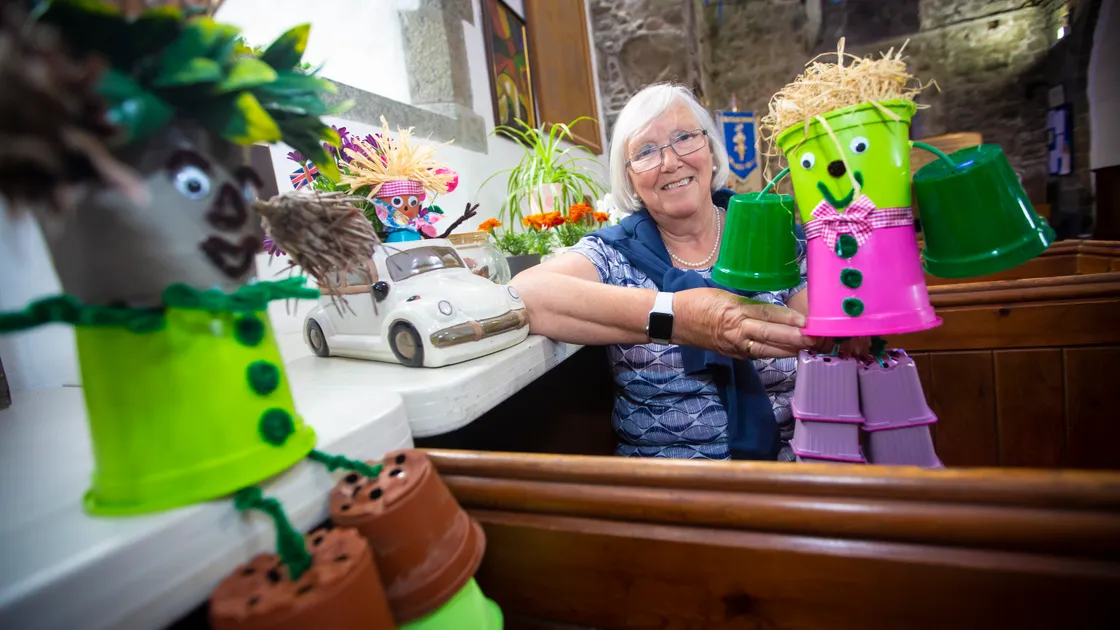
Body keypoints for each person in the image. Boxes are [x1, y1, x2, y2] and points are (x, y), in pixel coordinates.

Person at [511, 83, 866, 461]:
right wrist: (678, 317)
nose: (669, 161)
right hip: (669, 489)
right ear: (630, 177)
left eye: (684, 138)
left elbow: (830, 332)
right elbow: (526, 293)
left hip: (794, 472)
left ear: (711, 150)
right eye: (646, 151)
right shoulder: (614, 255)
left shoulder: (770, 231)